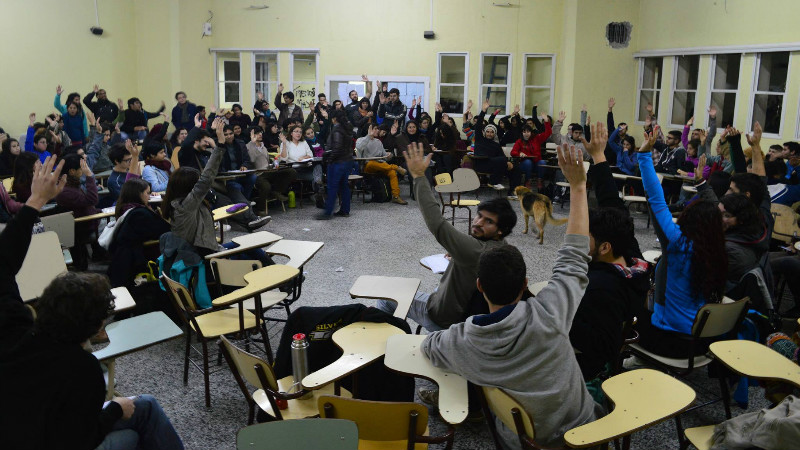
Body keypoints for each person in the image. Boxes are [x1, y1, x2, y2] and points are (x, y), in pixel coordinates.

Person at [421, 143, 604, 449]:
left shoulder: (466, 339)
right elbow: (574, 255)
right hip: (585, 433)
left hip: (521, 441)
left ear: (480, 286)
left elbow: (430, 346)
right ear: (526, 285)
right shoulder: (551, 313)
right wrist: (578, 186)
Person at [0, 156, 184, 450]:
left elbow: (3, 264)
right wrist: (114, 409)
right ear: (95, 326)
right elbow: (80, 439)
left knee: (142, 410)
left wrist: (35, 202)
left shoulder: (12, 335)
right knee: (137, 425)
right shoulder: (81, 370)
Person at [376, 142, 516, 330]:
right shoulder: (502, 248)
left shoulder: (475, 250)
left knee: (386, 299)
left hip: (441, 317)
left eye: (488, 221)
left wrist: (418, 177)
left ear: (501, 230)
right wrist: (458, 256)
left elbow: (437, 223)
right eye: (479, 215)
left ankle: (394, 345)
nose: (478, 222)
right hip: (463, 316)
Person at [631, 126, 728, 360]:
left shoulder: (677, 244)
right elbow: (714, 212)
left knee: (624, 307)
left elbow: (656, 198)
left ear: (688, 220)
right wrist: (702, 184)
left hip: (668, 342)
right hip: (700, 344)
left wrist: (644, 156)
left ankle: (634, 364)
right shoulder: (718, 248)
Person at [571, 123, 649, 381]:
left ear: (604, 247)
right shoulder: (631, 256)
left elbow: (585, 342)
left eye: (587, 236)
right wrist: (599, 157)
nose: (581, 238)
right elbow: (612, 203)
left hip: (583, 367)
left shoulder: (598, 288)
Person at [108, 178, 172, 288]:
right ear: (138, 194)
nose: (150, 196)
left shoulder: (127, 208)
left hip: (130, 259)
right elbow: (163, 229)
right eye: (147, 193)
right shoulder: (139, 214)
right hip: (143, 259)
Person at [247, 126, 297, 216]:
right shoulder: (248, 146)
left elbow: (266, 161)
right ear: (251, 135)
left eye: (261, 132)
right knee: (266, 186)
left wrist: (273, 164)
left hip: (268, 171)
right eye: (257, 133)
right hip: (258, 174)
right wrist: (252, 143)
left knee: (291, 171)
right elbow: (252, 160)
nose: (260, 135)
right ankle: (261, 209)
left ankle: (277, 191)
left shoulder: (263, 146)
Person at [356, 124, 408, 205]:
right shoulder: (361, 140)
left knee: (392, 172)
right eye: (375, 129)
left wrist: (389, 155)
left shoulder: (378, 142)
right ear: (369, 130)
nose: (377, 131)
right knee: (371, 163)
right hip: (368, 166)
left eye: (377, 129)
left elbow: (384, 157)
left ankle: (396, 196)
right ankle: (395, 167)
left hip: (381, 165)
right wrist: (368, 137)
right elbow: (358, 148)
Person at [316, 110, 353, 220]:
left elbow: (337, 148)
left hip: (337, 162)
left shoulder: (337, 129)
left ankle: (327, 213)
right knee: (344, 186)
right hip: (347, 160)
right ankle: (345, 210)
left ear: (334, 118)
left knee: (332, 187)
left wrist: (329, 160)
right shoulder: (348, 128)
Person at [473, 99, 516, 194]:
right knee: (503, 161)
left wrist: (508, 163)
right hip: (481, 164)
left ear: (494, 134)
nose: (489, 134)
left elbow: (502, 157)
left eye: (492, 132)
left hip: (494, 166)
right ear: (484, 132)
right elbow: (478, 125)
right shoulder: (480, 139)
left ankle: (512, 192)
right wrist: (483, 111)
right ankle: (493, 181)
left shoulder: (496, 145)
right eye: (487, 131)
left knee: (515, 168)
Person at [510, 118, 552, 190]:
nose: (526, 134)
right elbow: (513, 152)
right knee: (528, 162)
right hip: (524, 164)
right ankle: (527, 181)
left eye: (528, 132)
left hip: (536, 163)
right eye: (524, 132)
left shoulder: (537, 138)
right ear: (522, 133)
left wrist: (546, 122)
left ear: (531, 132)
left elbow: (548, 133)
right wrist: (519, 153)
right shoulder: (519, 141)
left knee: (543, 162)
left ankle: (540, 181)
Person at [219, 125, 256, 200]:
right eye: (226, 135)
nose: (229, 136)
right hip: (227, 176)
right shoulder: (219, 146)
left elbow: (247, 159)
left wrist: (244, 165)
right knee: (237, 187)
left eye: (231, 134)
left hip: (240, 173)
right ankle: (244, 202)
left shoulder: (240, 143)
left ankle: (244, 201)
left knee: (253, 178)